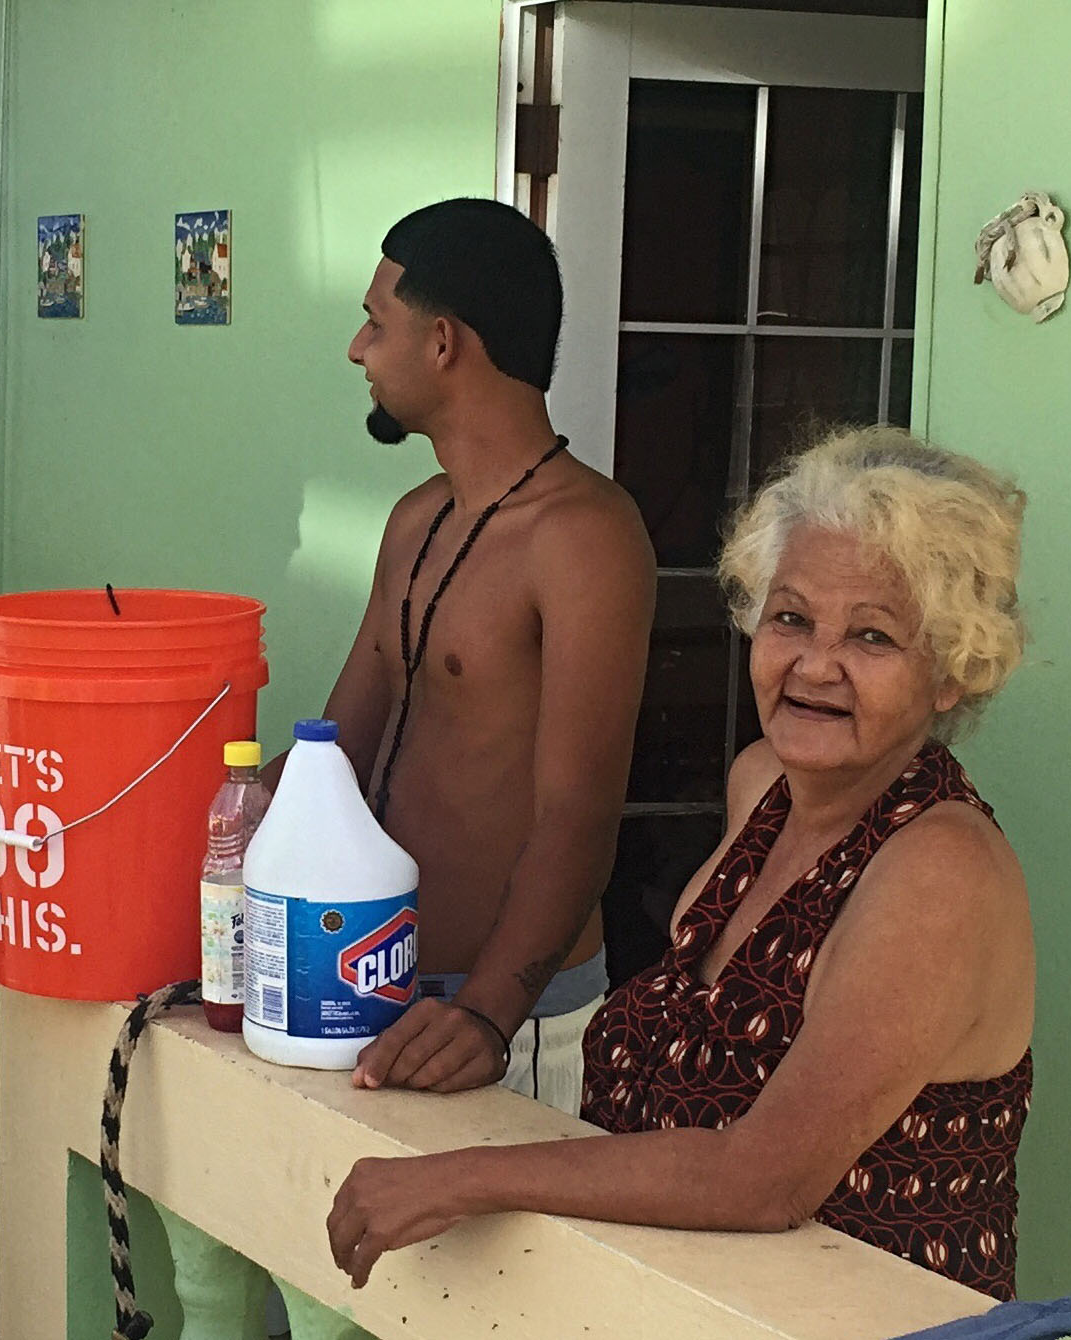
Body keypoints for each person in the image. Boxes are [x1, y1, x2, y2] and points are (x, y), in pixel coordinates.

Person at [327, 425, 1037, 1300]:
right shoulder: (761, 789)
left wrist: (458, 1178)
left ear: (950, 673)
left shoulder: (938, 873)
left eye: (874, 638)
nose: (815, 664)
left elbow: (761, 1179)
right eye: (790, 618)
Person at [173, 198, 655, 1340]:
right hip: (356, 990)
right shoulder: (416, 515)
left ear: (443, 342)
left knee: (473, 1320)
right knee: (331, 1295)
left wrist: (489, 1011)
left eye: (373, 320)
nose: (358, 348)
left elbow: (580, 818)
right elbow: (332, 746)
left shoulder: (587, 535)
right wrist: (186, 861)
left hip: (498, 1016)